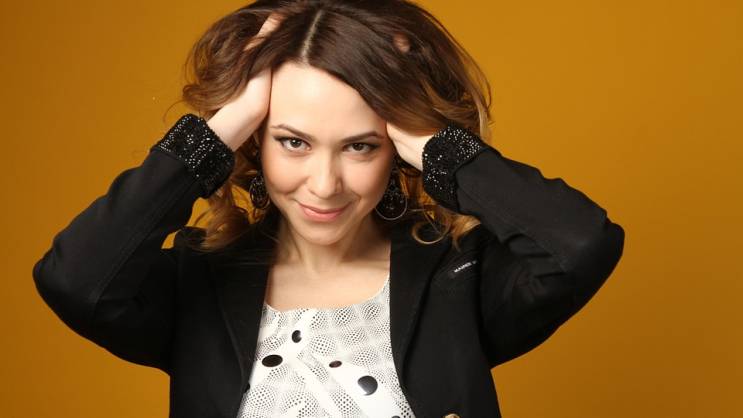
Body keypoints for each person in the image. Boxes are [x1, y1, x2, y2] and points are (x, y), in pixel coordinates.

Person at [32, 1, 625, 417]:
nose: (324, 184)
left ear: (396, 149)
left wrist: (437, 144)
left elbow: (579, 246)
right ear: (254, 141)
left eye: (359, 146)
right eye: (294, 141)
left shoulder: (456, 280)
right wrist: (224, 124)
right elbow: (75, 280)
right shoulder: (198, 285)